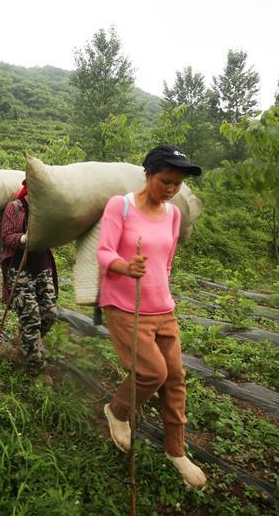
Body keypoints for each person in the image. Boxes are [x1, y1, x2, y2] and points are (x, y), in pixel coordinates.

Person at [97, 144, 207, 490]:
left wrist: (163, 287)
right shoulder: (122, 206)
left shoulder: (174, 214)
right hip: (125, 307)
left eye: (177, 184)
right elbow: (104, 252)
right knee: (151, 373)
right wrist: (126, 267)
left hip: (163, 308)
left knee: (175, 379)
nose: (171, 189)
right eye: (166, 181)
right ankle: (117, 411)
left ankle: (176, 451)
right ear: (148, 175)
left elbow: (168, 259)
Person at [0, 180, 58, 377]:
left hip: (42, 268)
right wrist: (23, 239)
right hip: (20, 269)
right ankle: (36, 369)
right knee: (31, 317)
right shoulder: (14, 207)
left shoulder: (47, 210)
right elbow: (6, 237)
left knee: (49, 313)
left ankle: (26, 341)